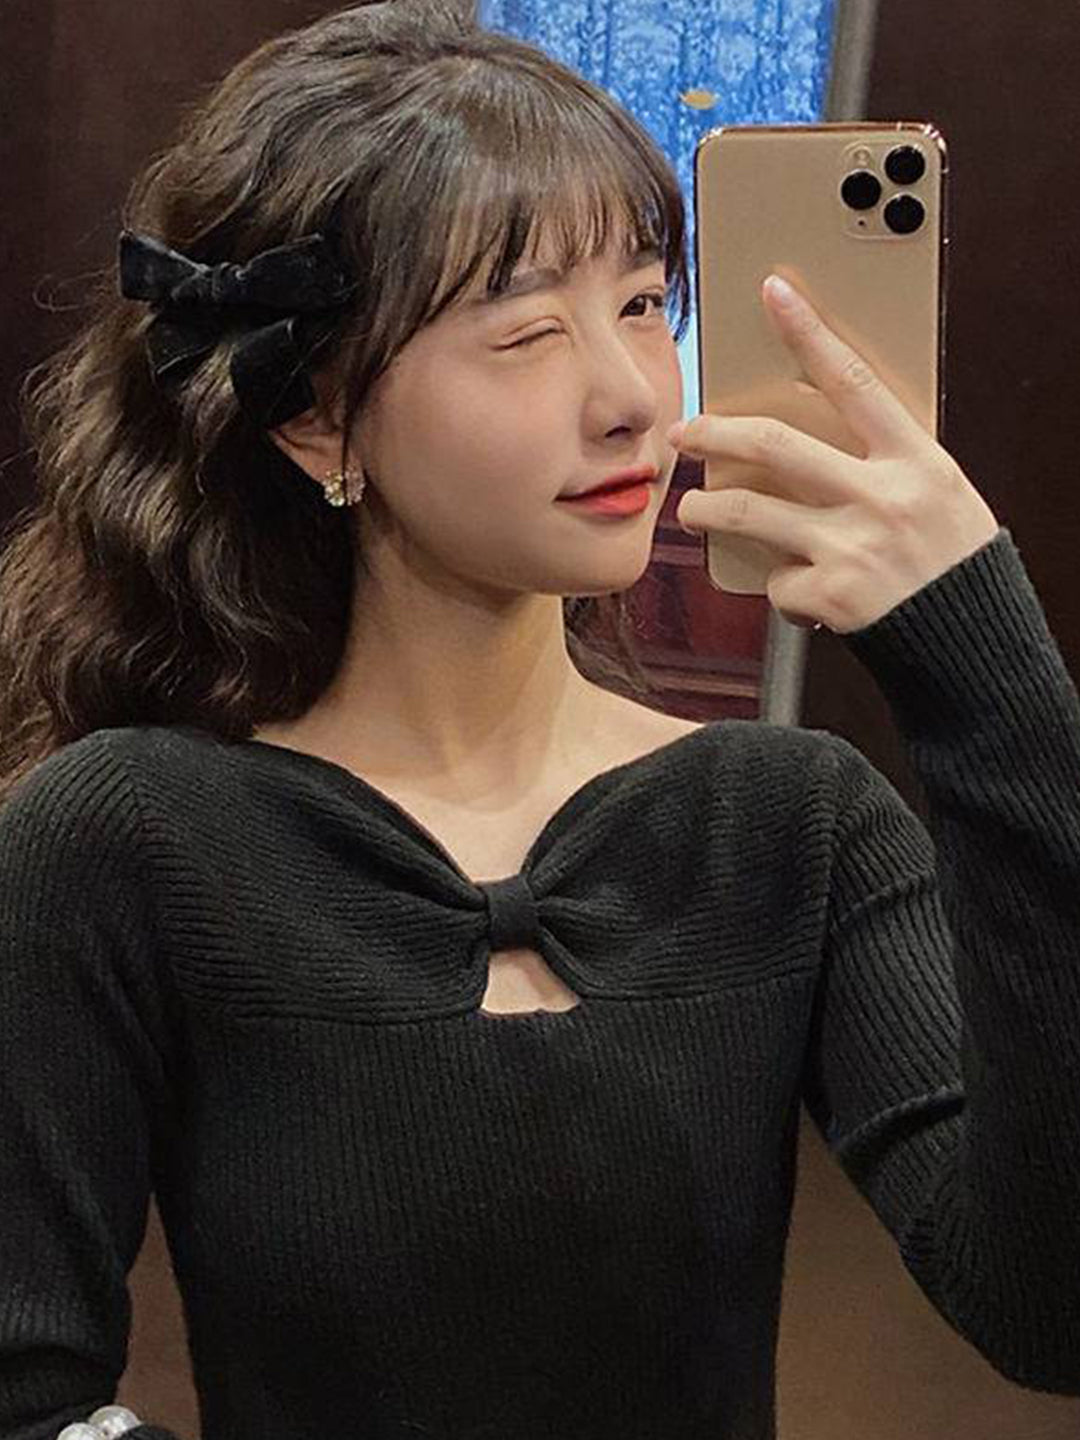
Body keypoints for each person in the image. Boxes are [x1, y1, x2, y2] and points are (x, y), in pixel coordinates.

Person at [1, 2, 1078, 1438]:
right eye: (526, 332)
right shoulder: (125, 841)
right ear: (317, 418)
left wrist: (991, 680)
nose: (632, 397)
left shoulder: (790, 823)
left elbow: (1048, 1309)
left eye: (643, 304)